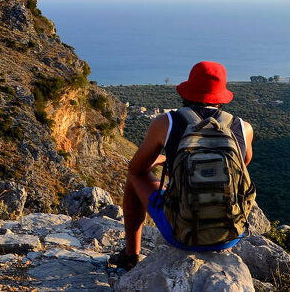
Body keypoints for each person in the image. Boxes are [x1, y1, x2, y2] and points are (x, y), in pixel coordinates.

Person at [109, 61, 255, 270]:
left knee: (135, 177)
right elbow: (244, 164)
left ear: (187, 91)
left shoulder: (166, 123)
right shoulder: (243, 127)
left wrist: (165, 160)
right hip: (230, 234)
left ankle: (130, 254)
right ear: (221, 96)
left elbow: (137, 168)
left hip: (181, 233)